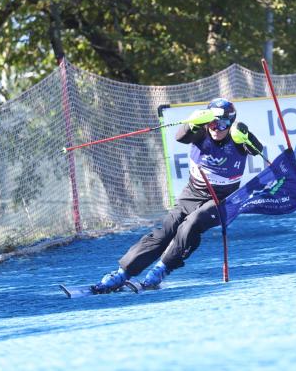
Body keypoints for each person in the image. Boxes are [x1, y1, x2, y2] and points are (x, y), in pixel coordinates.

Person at [93, 97, 263, 293]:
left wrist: (247, 135)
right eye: (213, 122)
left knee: (191, 224)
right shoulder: (200, 134)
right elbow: (181, 137)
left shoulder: (236, 139)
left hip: (222, 200)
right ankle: (123, 273)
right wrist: (192, 123)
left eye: (223, 123)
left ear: (231, 123)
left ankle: (161, 269)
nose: (217, 128)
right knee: (166, 230)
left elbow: (257, 150)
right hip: (193, 194)